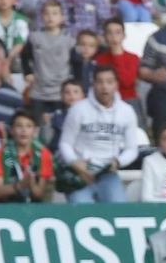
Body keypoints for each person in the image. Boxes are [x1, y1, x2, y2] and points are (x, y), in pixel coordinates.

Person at [58, 66, 140, 202]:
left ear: (116, 85)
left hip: (109, 173)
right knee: (80, 212)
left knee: (118, 211)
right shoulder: (78, 109)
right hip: (80, 172)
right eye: (100, 82)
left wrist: (118, 162)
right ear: (93, 84)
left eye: (109, 82)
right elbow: (65, 143)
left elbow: (132, 149)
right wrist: (74, 162)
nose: (104, 87)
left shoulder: (127, 112)